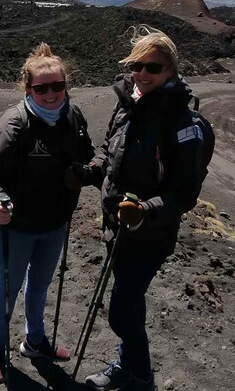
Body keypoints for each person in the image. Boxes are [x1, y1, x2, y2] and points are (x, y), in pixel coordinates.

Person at [73, 26, 204, 391]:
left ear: (171, 71)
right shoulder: (127, 102)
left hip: (150, 235)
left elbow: (185, 193)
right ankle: (131, 368)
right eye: (137, 65)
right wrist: (90, 171)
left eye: (154, 67)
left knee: (120, 311)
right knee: (130, 305)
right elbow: (109, 153)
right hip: (116, 227)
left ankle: (140, 376)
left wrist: (145, 209)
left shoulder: (181, 123)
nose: (143, 73)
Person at [0, 43, 95, 384]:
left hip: (55, 221)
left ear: (66, 85)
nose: (51, 94)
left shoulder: (73, 117)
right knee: (9, 287)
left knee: (41, 284)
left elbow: (87, 155)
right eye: (41, 88)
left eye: (58, 86)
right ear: (28, 89)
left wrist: (85, 171)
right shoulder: (13, 125)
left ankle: (35, 340)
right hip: (15, 226)